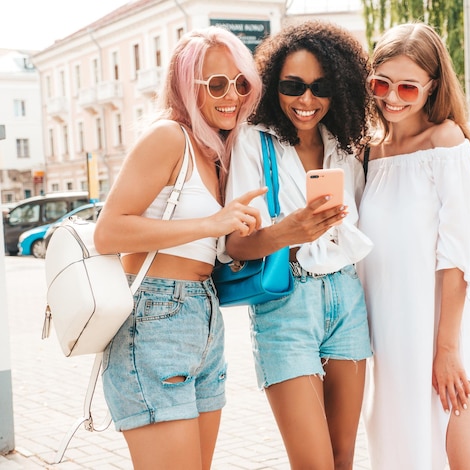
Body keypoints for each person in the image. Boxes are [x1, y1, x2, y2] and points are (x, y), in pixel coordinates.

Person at [93, 27, 266, 470]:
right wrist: (211, 223)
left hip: (201, 318)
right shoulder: (168, 136)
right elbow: (108, 232)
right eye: (217, 84)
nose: (233, 95)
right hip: (156, 316)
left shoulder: (214, 152)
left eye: (241, 82)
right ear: (187, 86)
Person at [223, 20, 373, 469]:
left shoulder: (345, 147)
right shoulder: (253, 141)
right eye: (292, 86)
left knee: (343, 456)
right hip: (287, 305)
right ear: (273, 87)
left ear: (339, 88)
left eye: (320, 87)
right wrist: (295, 230)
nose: (306, 100)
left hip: (347, 298)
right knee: (313, 462)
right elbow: (235, 247)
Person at [357, 23, 470, 470]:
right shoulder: (369, 153)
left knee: (462, 448)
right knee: (402, 449)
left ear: (432, 86)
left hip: (436, 327)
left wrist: (447, 350)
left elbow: (458, 257)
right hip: (384, 330)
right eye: (382, 83)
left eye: (408, 87)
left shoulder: (446, 142)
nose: (392, 97)